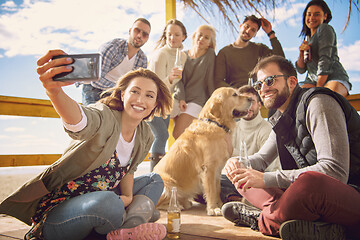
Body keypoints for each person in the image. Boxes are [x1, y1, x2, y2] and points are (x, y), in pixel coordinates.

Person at [0, 50, 173, 240]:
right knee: (110, 203)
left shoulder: (145, 134)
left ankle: (129, 228)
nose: (141, 100)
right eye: (135, 91)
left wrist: (129, 197)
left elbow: (129, 171)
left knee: (154, 179)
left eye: (149, 96)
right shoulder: (104, 115)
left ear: (156, 103)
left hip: (103, 195)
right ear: (123, 94)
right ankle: (135, 217)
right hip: (63, 213)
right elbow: (81, 122)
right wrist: (54, 92)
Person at [221, 55, 360, 240]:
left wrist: (267, 179)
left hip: (349, 193)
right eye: (258, 85)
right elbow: (261, 159)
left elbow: (335, 172)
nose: (263, 88)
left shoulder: (318, 103)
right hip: (309, 200)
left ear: (292, 81)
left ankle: (260, 219)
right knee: (241, 177)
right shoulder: (280, 117)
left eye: (269, 80)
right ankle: (311, 225)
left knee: (308, 184)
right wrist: (238, 163)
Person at [220, 85, 281, 203]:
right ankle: (238, 199)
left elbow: (269, 167)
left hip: (257, 179)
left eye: (251, 102)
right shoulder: (233, 127)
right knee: (204, 181)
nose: (247, 106)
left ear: (259, 105)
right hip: (233, 178)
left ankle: (240, 199)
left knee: (219, 183)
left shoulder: (267, 129)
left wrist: (235, 156)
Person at [147, 19, 187, 170]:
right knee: (161, 135)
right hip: (152, 101)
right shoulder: (160, 54)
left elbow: (180, 81)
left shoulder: (182, 56)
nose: (172, 38)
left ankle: (158, 175)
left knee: (163, 137)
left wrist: (181, 97)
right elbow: (153, 86)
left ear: (183, 36)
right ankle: (154, 174)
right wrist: (170, 79)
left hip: (166, 103)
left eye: (176, 34)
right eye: (169, 34)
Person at [82, 18, 151, 105]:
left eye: (144, 34)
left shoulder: (142, 60)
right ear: (130, 31)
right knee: (92, 116)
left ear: (147, 38)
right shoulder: (112, 48)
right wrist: (123, 88)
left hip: (117, 94)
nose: (139, 36)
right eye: (137, 30)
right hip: (94, 89)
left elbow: (138, 86)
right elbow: (96, 80)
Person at [296, 0, 351, 98]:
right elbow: (301, 69)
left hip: (333, 77)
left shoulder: (325, 28)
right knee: (295, 98)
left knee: (324, 99)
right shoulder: (307, 39)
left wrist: (319, 88)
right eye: (309, 14)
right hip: (312, 80)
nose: (312, 18)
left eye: (316, 14)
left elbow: (325, 59)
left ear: (325, 16)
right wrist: (301, 53)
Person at [214, 15, 284, 89]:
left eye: (253, 30)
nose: (248, 31)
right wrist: (236, 94)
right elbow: (218, 81)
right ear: (240, 26)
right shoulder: (224, 52)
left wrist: (270, 33)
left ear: (255, 34)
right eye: (246, 26)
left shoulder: (260, 49)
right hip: (235, 96)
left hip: (258, 93)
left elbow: (281, 60)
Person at [172, 24, 217, 139]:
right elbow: (178, 79)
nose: (201, 39)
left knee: (178, 134)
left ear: (210, 43)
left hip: (197, 101)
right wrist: (181, 97)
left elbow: (210, 80)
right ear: (194, 36)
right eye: (199, 35)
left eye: (206, 38)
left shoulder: (210, 55)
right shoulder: (183, 55)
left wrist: (213, 105)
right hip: (180, 99)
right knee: (186, 137)